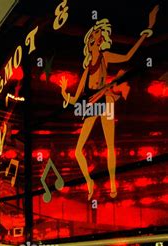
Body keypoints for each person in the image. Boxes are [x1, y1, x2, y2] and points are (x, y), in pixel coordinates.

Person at [60, 5, 158, 200]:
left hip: (106, 101)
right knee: (78, 150)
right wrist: (64, 92)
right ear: (90, 41)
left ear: (99, 40)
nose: (96, 37)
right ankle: (89, 182)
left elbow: (128, 56)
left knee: (109, 144)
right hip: (91, 104)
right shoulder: (88, 66)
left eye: (98, 34)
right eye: (94, 34)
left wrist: (145, 34)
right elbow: (76, 96)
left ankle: (113, 184)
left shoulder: (105, 56)